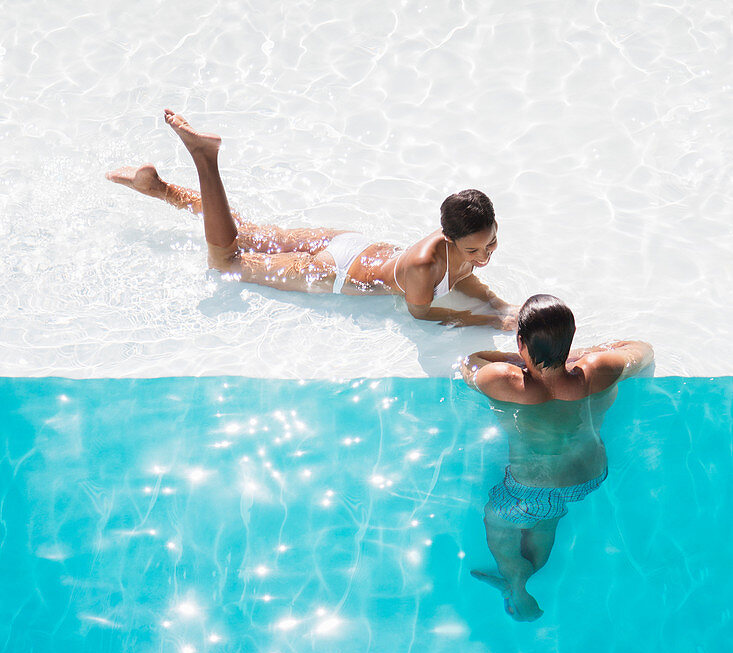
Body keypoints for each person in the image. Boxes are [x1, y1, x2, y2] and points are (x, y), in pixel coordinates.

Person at [107, 110, 517, 329]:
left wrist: (498, 303)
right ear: (449, 238)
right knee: (227, 261)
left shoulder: (459, 231)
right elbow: (422, 313)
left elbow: (464, 273)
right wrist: (485, 321)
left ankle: (161, 189)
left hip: (351, 244)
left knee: (245, 232)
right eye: (475, 249)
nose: (485, 256)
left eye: (491, 244)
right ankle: (204, 158)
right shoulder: (424, 265)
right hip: (334, 271)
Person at [460, 294, 654, 620]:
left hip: (530, 489)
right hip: (588, 478)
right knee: (550, 515)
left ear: (522, 342)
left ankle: (516, 581)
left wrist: (519, 358)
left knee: (497, 518)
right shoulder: (598, 370)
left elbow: (470, 361)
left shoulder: (505, 381)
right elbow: (643, 350)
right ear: (571, 338)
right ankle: (530, 564)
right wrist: (582, 354)